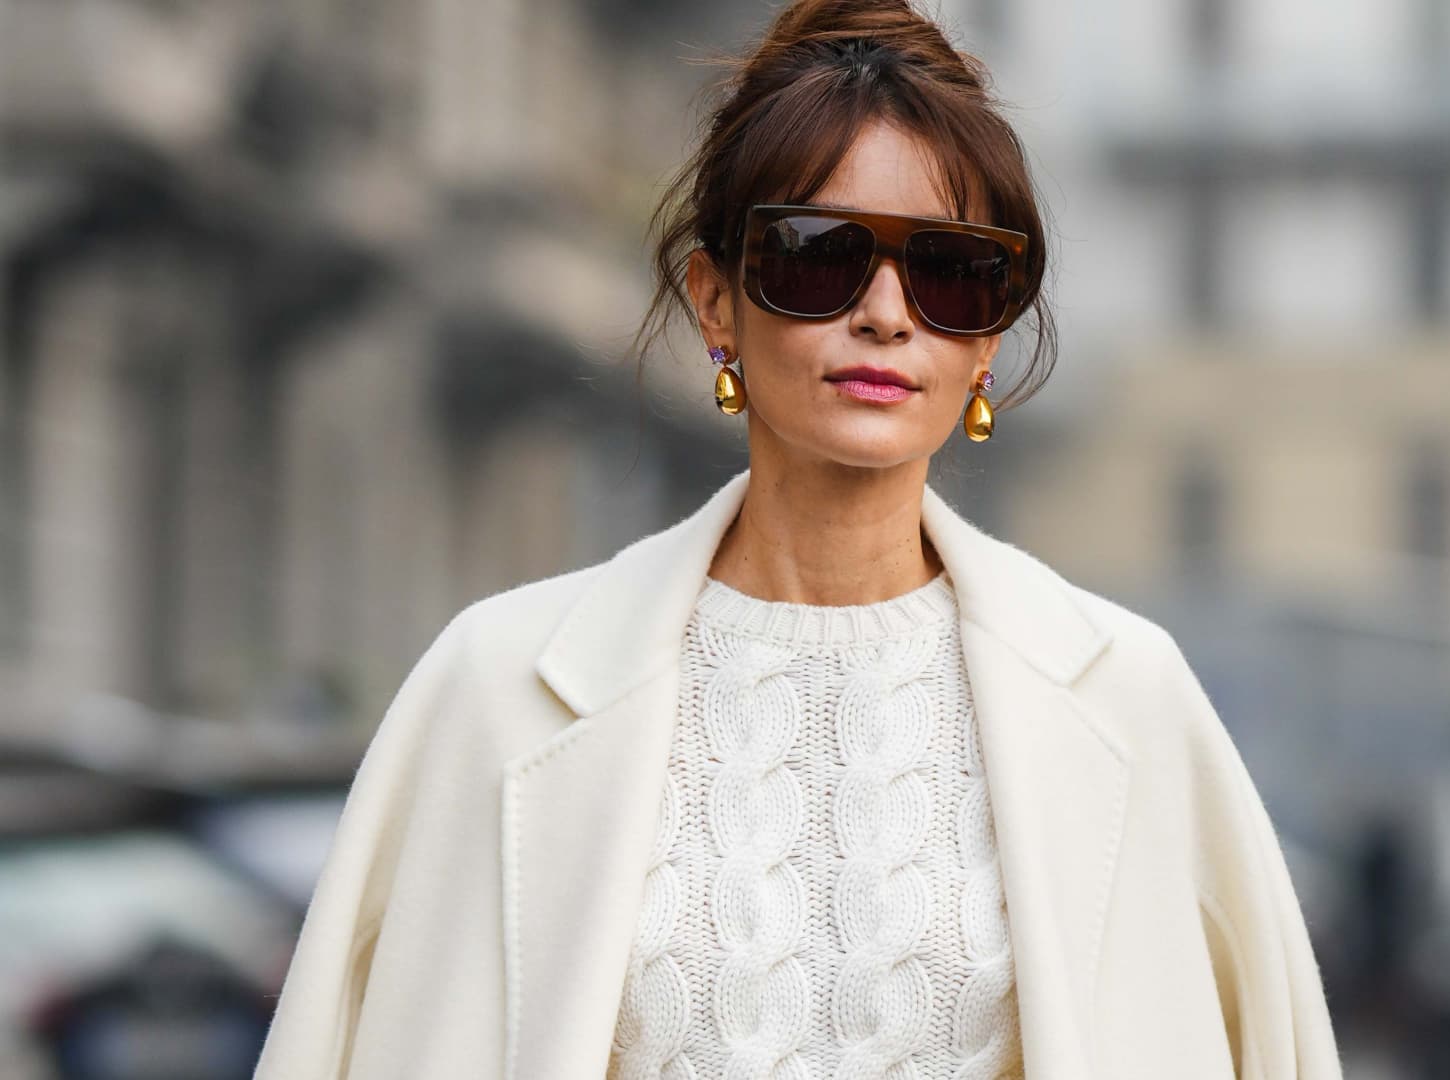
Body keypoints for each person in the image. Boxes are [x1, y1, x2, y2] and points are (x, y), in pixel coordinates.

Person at [251, 2, 1344, 1078]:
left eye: (952, 272)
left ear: (990, 342)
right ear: (715, 302)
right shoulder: (493, 687)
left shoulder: (1128, 698)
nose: (883, 311)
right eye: (818, 256)